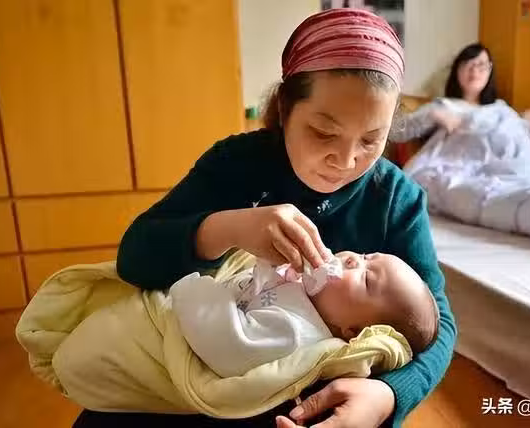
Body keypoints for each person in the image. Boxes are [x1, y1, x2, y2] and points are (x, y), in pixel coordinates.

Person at [73, 8, 456, 428]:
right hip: (174, 381)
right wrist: (225, 229)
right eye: (323, 133)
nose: (346, 160)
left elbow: (436, 323)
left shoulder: (396, 200)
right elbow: (134, 258)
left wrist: (389, 394)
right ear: (285, 108)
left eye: (371, 140)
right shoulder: (237, 163)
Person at [171, 251, 440, 379]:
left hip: (184, 319)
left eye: (366, 279)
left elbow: (228, 342)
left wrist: (193, 290)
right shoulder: (305, 287)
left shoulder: (295, 332)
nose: (354, 260)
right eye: (367, 256)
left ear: (353, 331)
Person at [389, 43, 530, 143]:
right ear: (456, 71)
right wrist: (432, 115)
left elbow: (517, 139)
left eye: (481, 65)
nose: (474, 70)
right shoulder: (443, 106)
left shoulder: (499, 107)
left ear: (490, 70)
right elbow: (397, 134)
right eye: (468, 64)